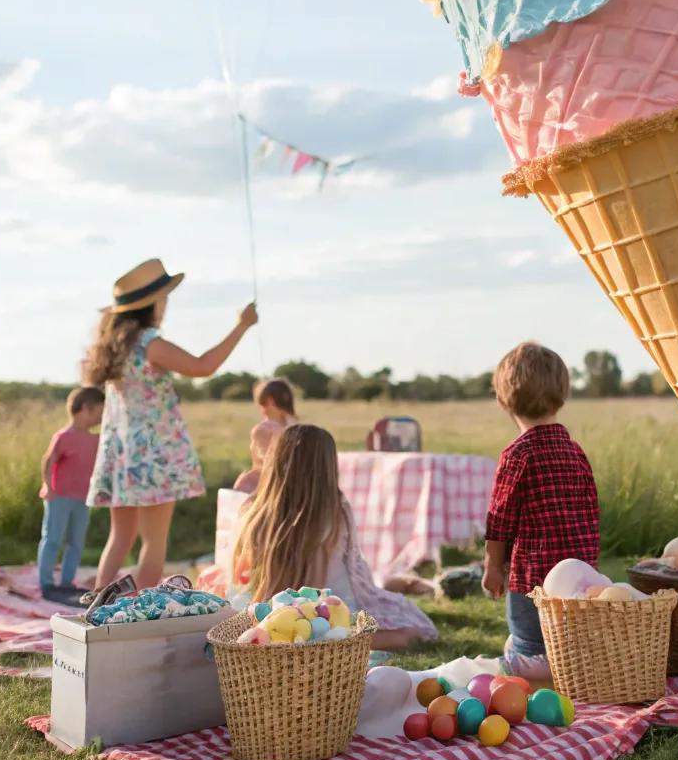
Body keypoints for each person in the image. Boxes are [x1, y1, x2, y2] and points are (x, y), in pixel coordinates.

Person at [84, 258, 258, 590]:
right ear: (151, 304)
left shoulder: (116, 348)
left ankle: (97, 607)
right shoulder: (152, 344)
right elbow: (203, 366)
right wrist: (242, 325)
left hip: (122, 455)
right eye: (164, 298)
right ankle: (139, 610)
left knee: (120, 537)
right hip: (154, 455)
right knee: (154, 542)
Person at [231, 421, 438, 650]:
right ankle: (343, 642)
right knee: (418, 631)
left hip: (276, 616)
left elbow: (243, 574)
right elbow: (355, 572)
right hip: (331, 614)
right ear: (327, 466)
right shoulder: (336, 511)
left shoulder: (255, 511)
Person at [482, 341, 600, 681]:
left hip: (532, 575)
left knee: (529, 642)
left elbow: (500, 519)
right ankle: (567, 669)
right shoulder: (575, 452)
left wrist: (493, 566)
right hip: (577, 575)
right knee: (566, 638)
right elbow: (590, 511)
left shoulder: (517, 455)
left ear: (504, 400)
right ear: (562, 394)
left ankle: (525, 669)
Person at [37, 386, 105, 600]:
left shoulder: (96, 439)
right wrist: (48, 485)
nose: (100, 418)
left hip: (83, 498)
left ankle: (67, 583)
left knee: (76, 542)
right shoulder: (64, 436)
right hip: (60, 496)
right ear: (85, 408)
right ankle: (47, 583)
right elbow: (49, 460)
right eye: (99, 413)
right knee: (53, 538)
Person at [233, 377, 298, 495]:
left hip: (269, 487)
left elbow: (266, 464)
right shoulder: (298, 428)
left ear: (270, 401)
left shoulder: (263, 430)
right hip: (286, 486)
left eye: (262, 402)